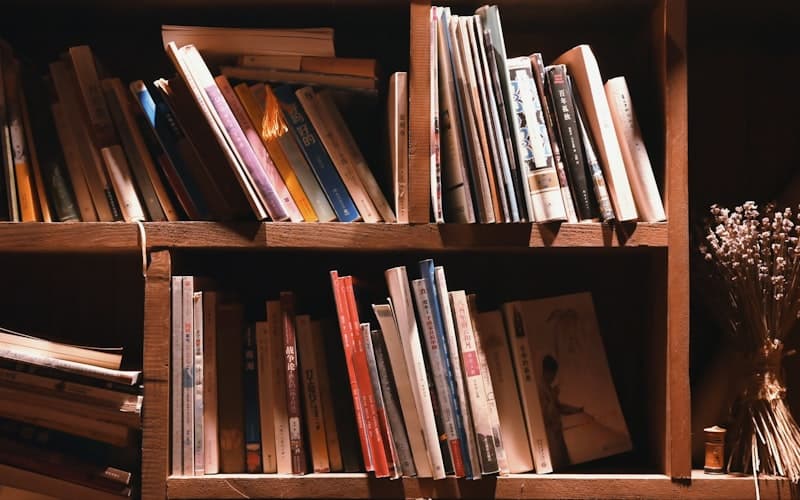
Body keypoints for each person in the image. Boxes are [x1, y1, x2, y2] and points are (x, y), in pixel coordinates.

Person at [539, 354, 583, 469]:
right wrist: (553, 397)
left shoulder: (548, 388)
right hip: (550, 436)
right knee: (559, 465)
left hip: (557, 433)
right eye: (553, 373)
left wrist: (576, 410)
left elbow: (560, 408)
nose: (554, 377)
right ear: (547, 371)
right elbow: (546, 415)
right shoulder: (540, 389)